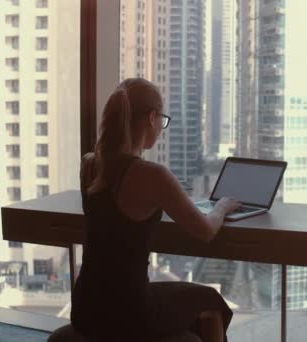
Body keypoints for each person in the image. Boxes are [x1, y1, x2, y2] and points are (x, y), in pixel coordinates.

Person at [71, 78, 240, 341]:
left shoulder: (89, 165)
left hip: (85, 308)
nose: (161, 127)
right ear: (151, 118)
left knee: (183, 303)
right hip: (129, 312)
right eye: (162, 119)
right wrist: (222, 206)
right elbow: (206, 231)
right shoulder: (152, 175)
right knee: (210, 300)